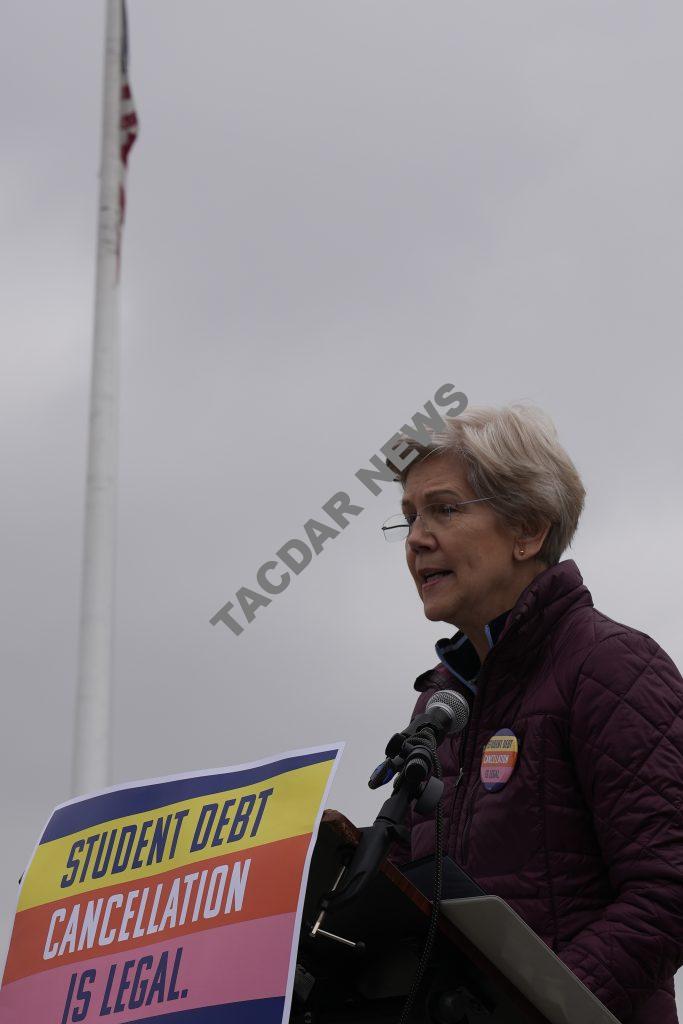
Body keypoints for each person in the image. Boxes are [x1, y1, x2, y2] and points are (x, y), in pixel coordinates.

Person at [382, 403, 683, 1024]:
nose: (416, 538)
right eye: (409, 517)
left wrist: (533, 1006)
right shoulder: (441, 705)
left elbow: (669, 890)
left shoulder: (610, 666)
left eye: (444, 509)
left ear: (528, 530)